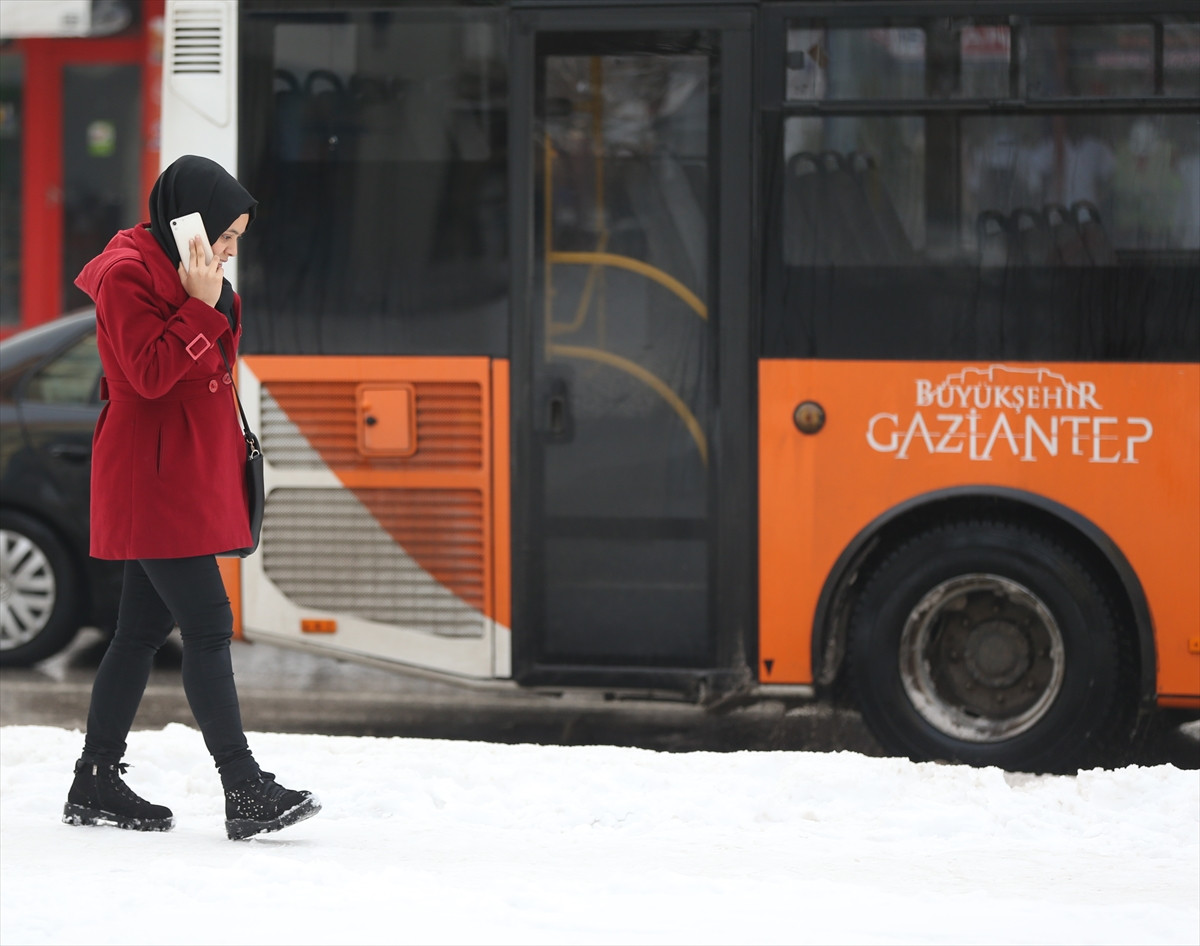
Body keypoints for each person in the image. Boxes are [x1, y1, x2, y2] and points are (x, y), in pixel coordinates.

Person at [62, 155, 321, 841]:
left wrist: (207, 300)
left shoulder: (184, 269)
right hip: (151, 477)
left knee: (139, 633)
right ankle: (244, 788)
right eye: (226, 235)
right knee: (207, 625)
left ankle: (95, 778)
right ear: (190, 222)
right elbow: (149, 374)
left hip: (177, 470)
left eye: (236, 238)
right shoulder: (126, 273)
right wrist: (200, 306)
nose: (230, 250)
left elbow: (212, 363)